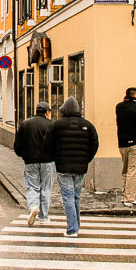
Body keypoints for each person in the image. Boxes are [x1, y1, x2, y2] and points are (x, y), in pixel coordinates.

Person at [43, 96, 98, 237]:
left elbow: (47, 144)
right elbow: (94, 145)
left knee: (67, 196)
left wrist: (55, 158)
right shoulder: (88, 125)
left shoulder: (56, 125)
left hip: (63, 167)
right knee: (76, 196)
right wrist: (86, 159)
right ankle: (76, 225)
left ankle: (72, 229)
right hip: (81, 167)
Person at [14, 101, 55, 226]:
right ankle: (43, 216)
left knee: (32, 186)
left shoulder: (25, 124)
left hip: (30, 160)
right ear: (47, 112)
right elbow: (56, 144)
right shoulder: (51, 125)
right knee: (46, 188)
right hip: (47, 161)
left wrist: (22, 154)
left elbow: (17, 144)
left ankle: (33, 206)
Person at [115, 86, 136, 208]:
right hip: (135, 143)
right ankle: (129, 198)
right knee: (133, 171)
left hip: (122, 143)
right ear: (135, 95)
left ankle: (125, 196)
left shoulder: (119, 107)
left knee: (125, 170)